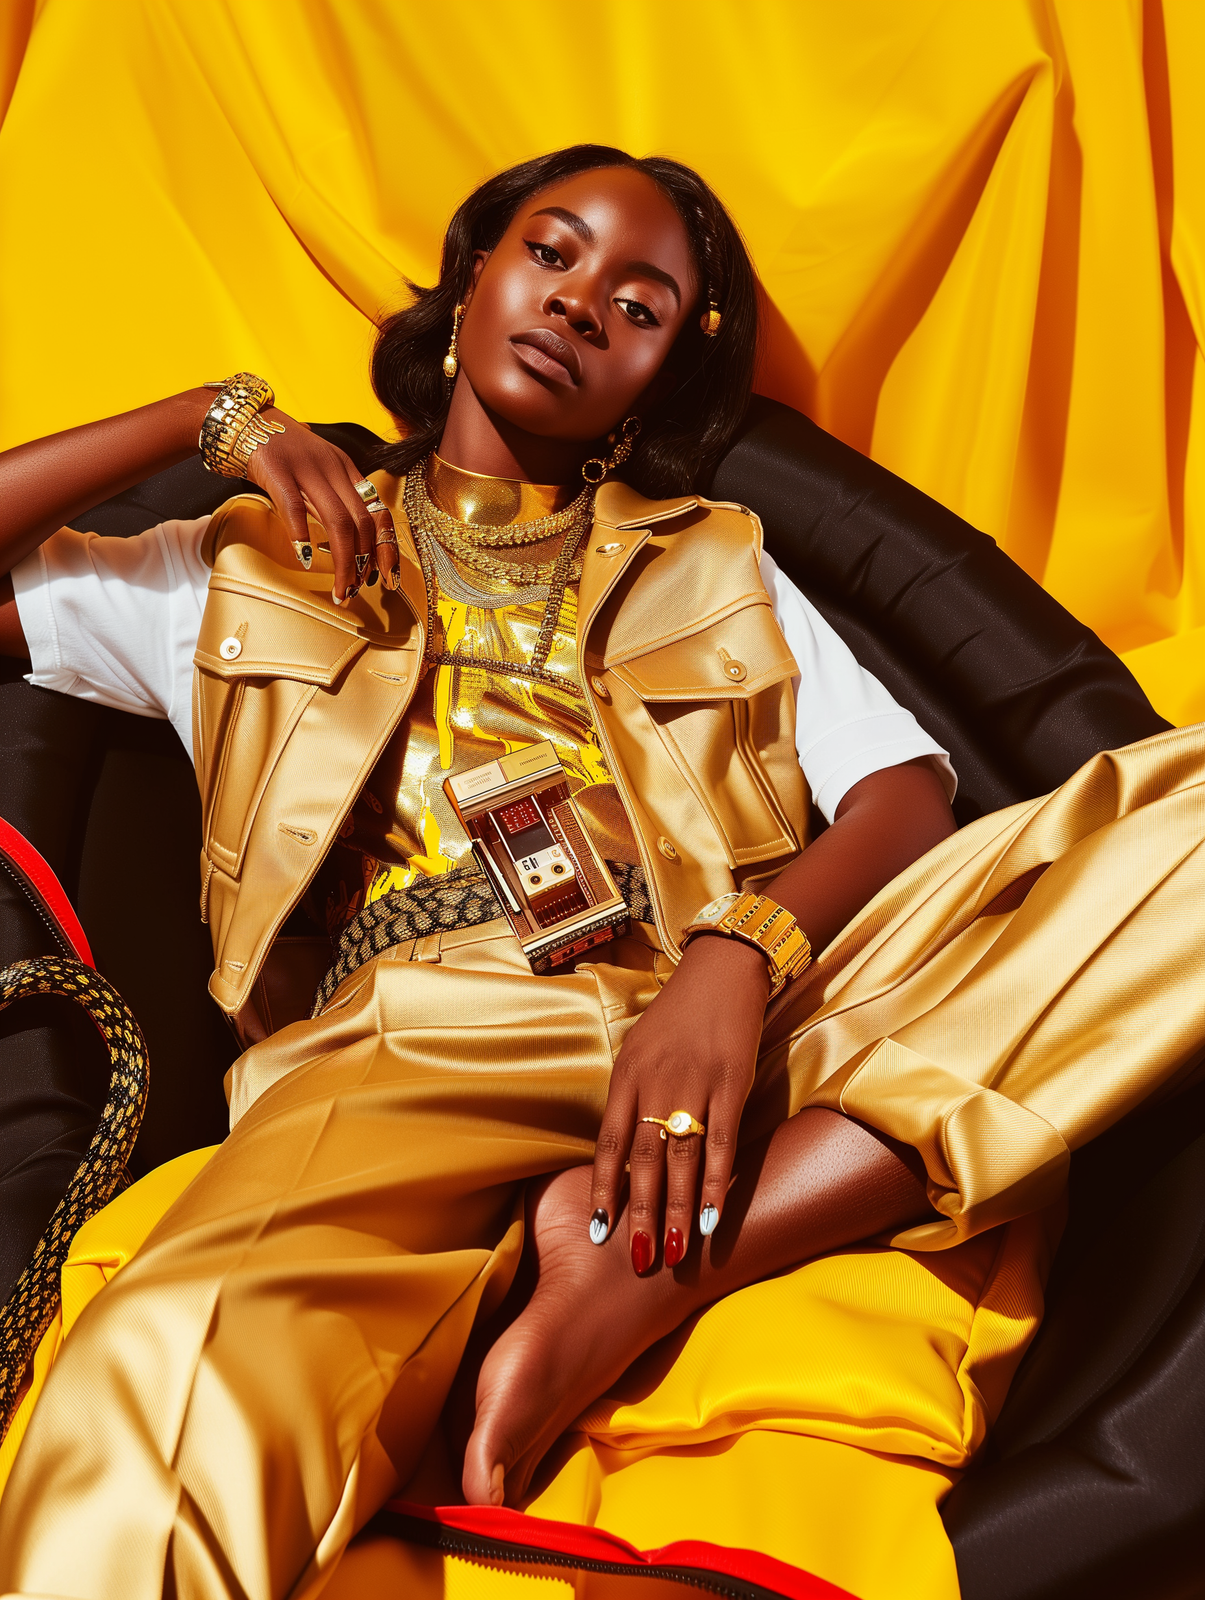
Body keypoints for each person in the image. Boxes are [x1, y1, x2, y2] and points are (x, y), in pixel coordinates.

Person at [0, 144, 1200, 1600]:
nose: (581, 306)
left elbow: (901, 799)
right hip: (418, 1046)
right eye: (551, 254)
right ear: (470, 283)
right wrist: (210, 419)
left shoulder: (718, 560)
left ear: (655, 386)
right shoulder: (249, 567)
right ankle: (674, 1241)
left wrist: (736, 958)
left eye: (639, 306)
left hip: (743, 1029)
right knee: (154, 1387)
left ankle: (661, 1257)